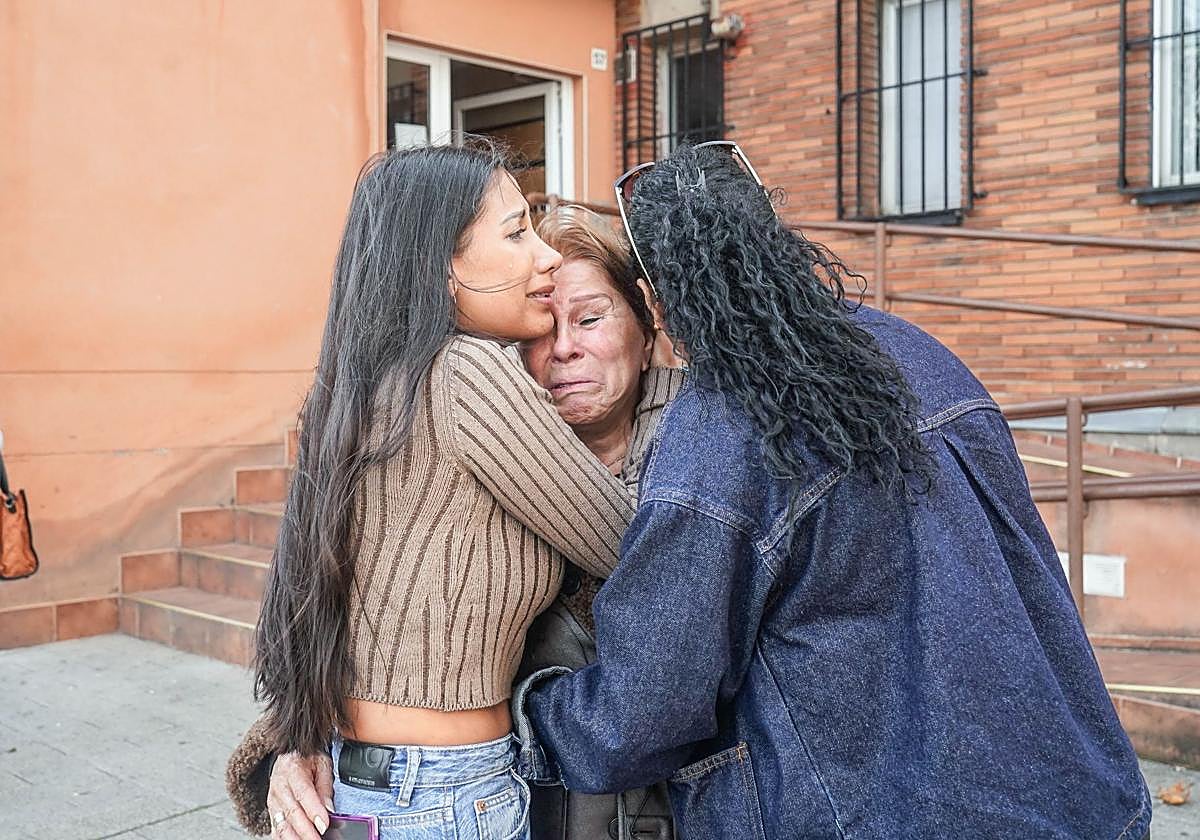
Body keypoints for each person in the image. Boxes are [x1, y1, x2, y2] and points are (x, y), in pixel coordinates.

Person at [511, 142, 1153, 840]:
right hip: (1081, 802)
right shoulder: (923, 354)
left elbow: (643, 711)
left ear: (657, 306)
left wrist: (529, 717)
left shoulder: (720, 428)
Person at [228, 199, 685, 839]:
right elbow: (372, 601)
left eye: (590, 318)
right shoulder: (477, 434)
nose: (563, 350)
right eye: (536, 333)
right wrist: (298, 740)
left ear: (647, 325)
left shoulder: (714, 454)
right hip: (478, 797)